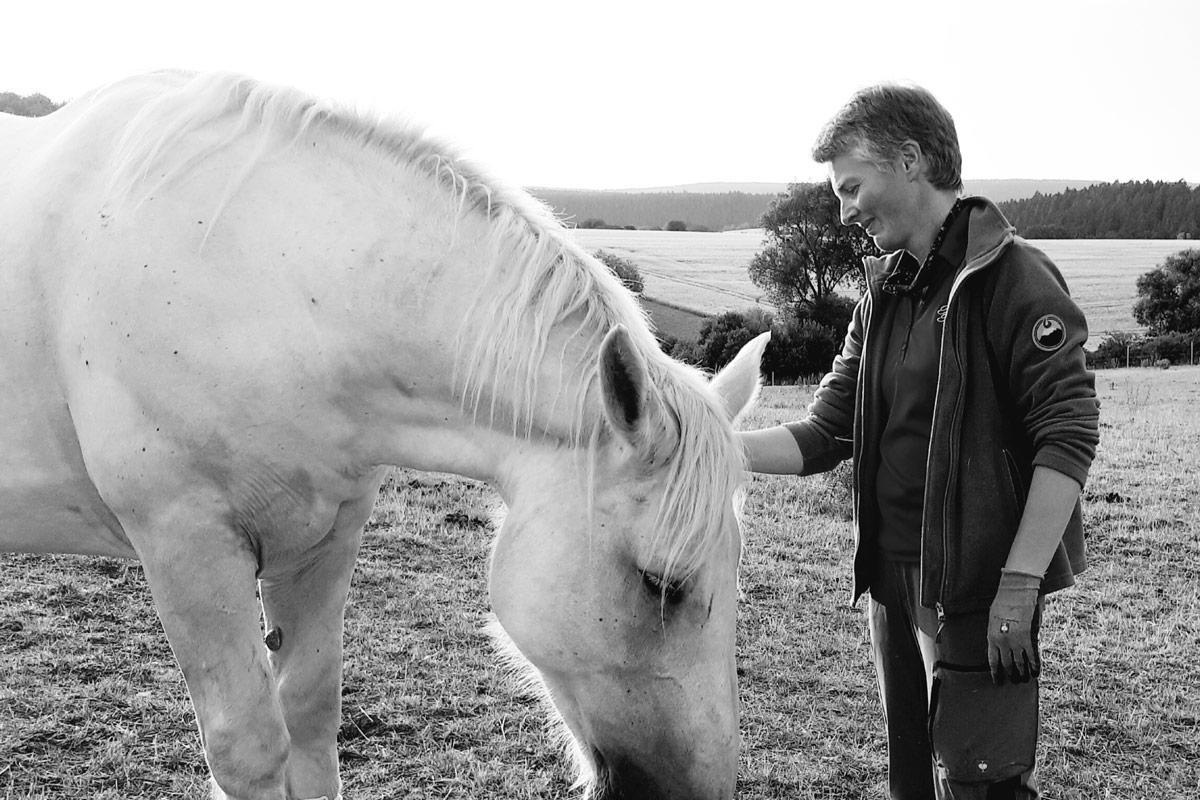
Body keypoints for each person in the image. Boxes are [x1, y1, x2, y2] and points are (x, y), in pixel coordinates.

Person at [740, 84, 1100, 799]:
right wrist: (704, 443)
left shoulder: (1013, 278)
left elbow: (1067, 435)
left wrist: (1020, 585)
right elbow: (825, 432)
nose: (844, 211)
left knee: (980, 783)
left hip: (977, 586)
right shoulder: (882, 298)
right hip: (890, 584)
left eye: (851, 187)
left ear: (909, 160)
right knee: (913, 778)